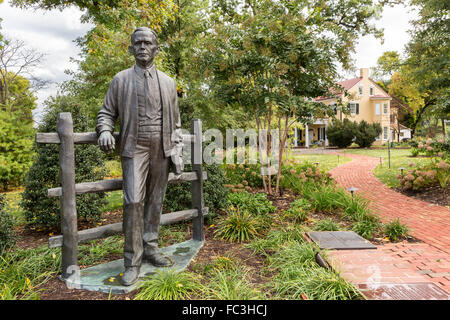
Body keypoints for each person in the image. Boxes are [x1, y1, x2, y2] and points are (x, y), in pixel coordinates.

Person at [96, 27, 183, 286]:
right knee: (134, 201)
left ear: (156, 48)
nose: (143, 47)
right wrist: (105, 131)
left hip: (161, 149)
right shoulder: (120, 80)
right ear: (131, 48)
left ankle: (151, 248)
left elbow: (176, 123)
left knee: (155, 201)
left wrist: (176, 150)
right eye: (138, 43)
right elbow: (106, 113)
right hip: (135, 147)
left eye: (148, 43)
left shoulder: (168, 83)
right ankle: (132, 261)